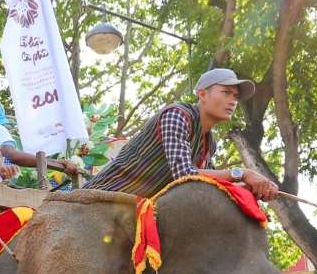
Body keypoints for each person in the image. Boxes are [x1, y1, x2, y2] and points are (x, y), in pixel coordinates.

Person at [84, 68, 280, 201]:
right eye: (226, 92)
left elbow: (209, 184)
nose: (232, 101)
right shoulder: (177, 116)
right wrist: (242, 173)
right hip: (101, 200)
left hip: (136, 213)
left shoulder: (209, 143)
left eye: (236, 96)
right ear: (202, 94)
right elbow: (184, 175)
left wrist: (250, 188)